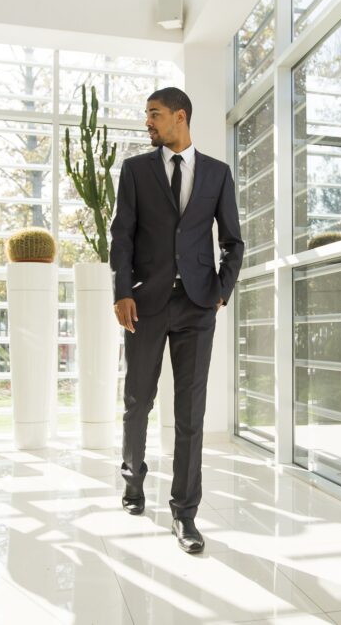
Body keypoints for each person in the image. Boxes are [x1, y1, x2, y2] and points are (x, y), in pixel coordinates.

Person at [109, 86, 244, 553]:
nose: (148, 122)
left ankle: (184, 514)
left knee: (190, 414)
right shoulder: (134, 170)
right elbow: (121, 235)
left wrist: (221, 291)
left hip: (196, 306)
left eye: (155, 114)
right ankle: (133, 480)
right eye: (147, 114)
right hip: (144, 305)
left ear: (179, 117)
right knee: (138, 401)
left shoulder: (218, 175)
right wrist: (121, 292)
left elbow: (233, 241)